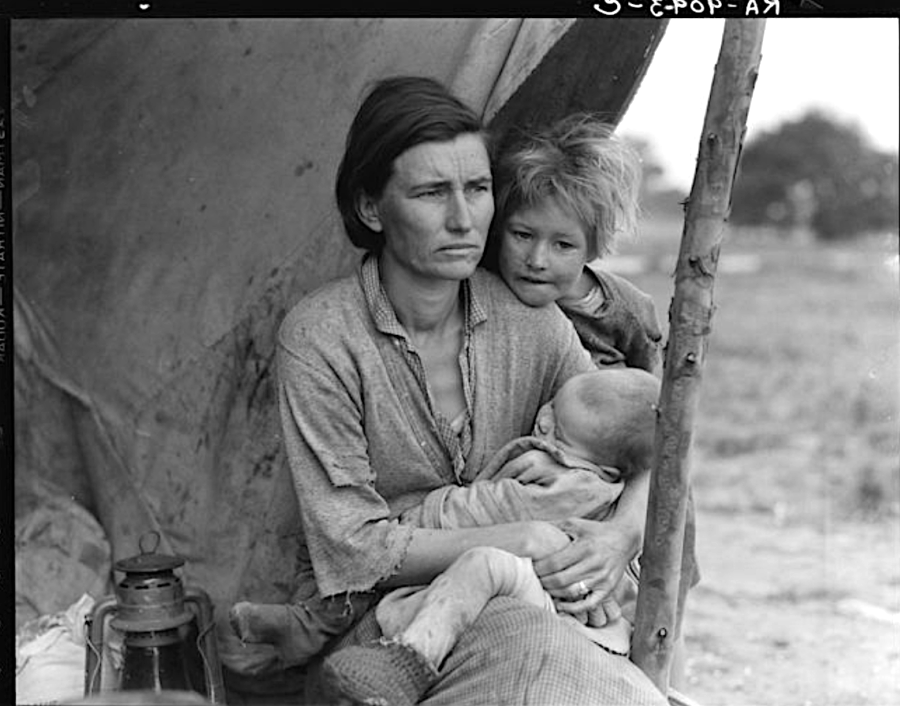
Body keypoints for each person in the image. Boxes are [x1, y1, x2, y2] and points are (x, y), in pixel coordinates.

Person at [226, 76, 666, 706]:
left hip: (538, 600)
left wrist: (623, 532)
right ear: (372, 207)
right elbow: (353, 547)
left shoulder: (533, 323)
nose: (464, 220)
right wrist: (509, 539)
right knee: (538, 663)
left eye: (478, 189)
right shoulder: (323, 337)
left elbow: (639, 442)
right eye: (432, 193)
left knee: (567, 659)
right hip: (387, 626)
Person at [320, 368, 660, 706]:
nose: (543, 421)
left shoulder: (565, 484)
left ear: (613, 468)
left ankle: (410, 659)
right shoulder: (608, 479)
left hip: (559, 606)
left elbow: (483, 511)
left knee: (483, 566)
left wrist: (422, 517)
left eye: (560, 431)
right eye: (551, 406)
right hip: (599, 618)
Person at [484, 114, 663, 373]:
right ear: (500, 230)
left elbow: (652, 384)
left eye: (563, 245)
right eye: (523, 235)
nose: (536, 261)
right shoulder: (484, 290)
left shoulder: (627, 308)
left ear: (593, 248)